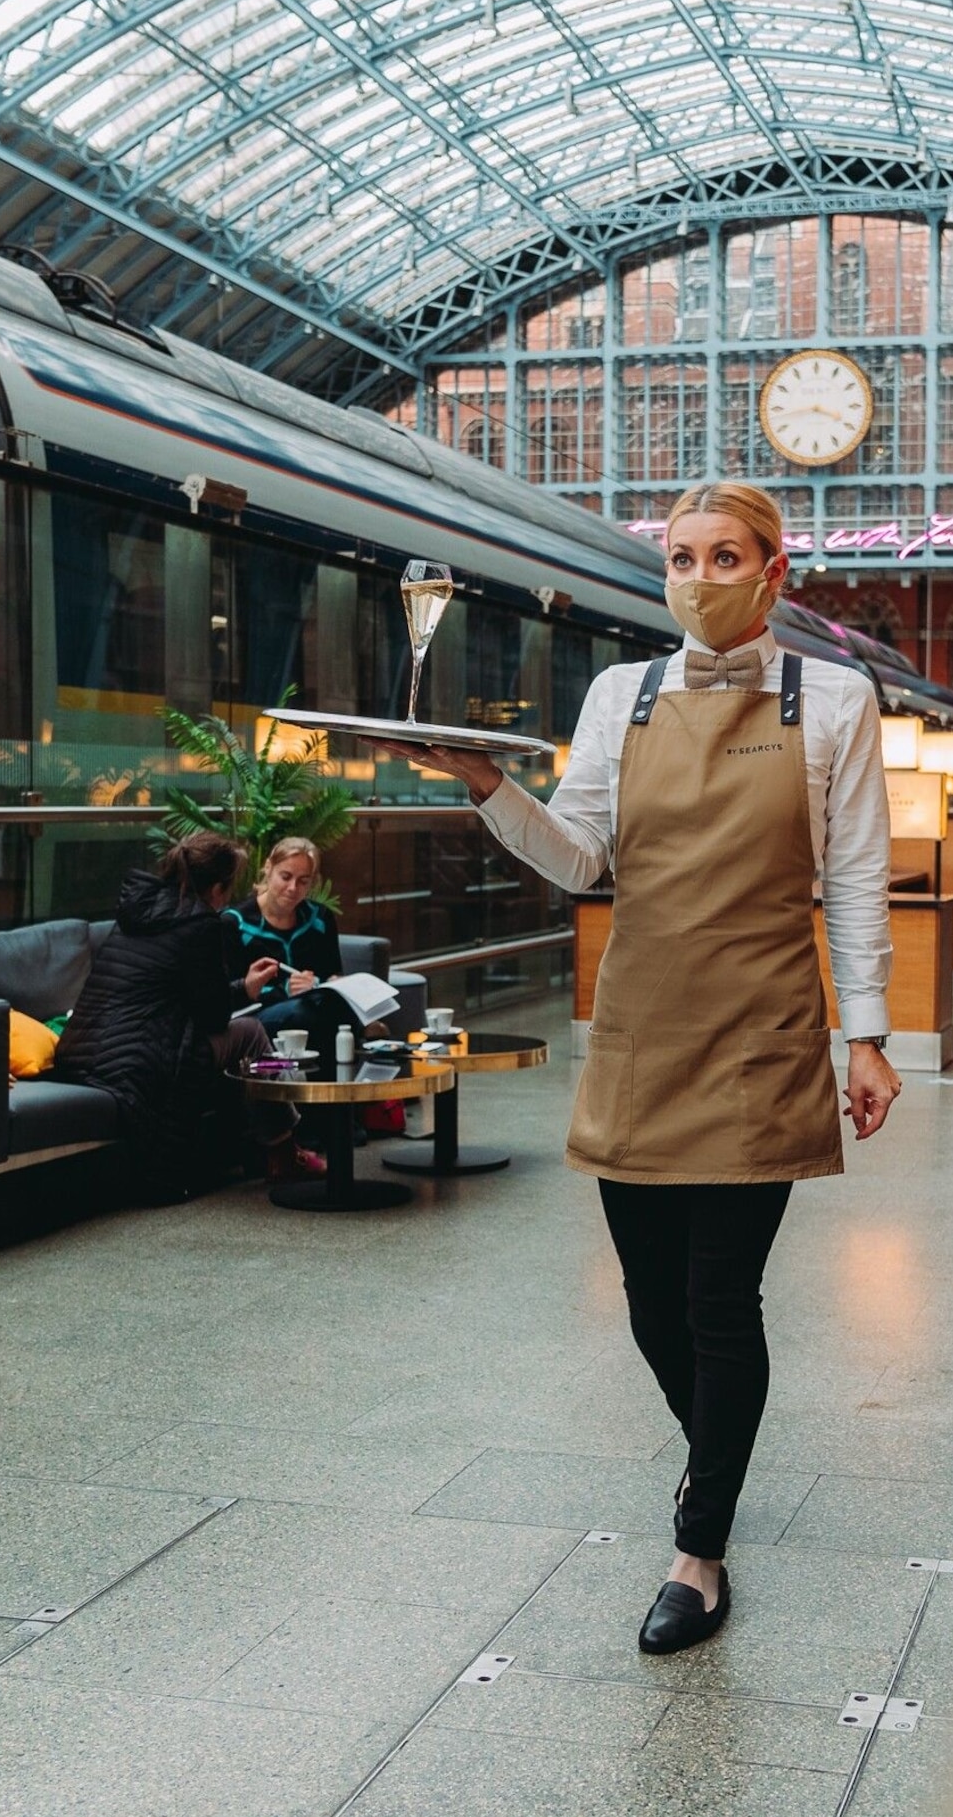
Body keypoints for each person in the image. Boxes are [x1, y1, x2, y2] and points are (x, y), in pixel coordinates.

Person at [381, 480, 903, 1656]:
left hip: (764, 1027)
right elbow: (581, 860)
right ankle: (714, 1454)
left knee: (721, 1299)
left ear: (773, 572)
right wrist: (486, 783)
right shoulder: (624, 693)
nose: (700, 578)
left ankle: (698, 1548)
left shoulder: (834, 697)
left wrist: (865, 1035)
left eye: (726, 557)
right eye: (682, 557)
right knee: (651, 1300)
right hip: (642, 1027)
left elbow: (857, 875)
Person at [53, 832, 304, 1191]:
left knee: (238, 1042)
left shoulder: (137, 913)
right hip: (138, 1063)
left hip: (80, 1053)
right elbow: (213, 1017)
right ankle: (284, 1152)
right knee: (250, 1033)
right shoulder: (201, 925)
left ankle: (255, 1149)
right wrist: (238, 993)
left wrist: (243, 987)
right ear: (217, 888)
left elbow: (168, 997)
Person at [230, 837, 356, 1042]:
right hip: (256, 1015)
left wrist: (321, 983)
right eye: (285, 877)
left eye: (303, 881)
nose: (292, 888)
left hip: (314, 1005)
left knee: (337, 1008)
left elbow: (332, 973)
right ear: (268, 868)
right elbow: (229, 995)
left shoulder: (320, 917)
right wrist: (285, 991)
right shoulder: (235, 922)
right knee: (304, 1013)